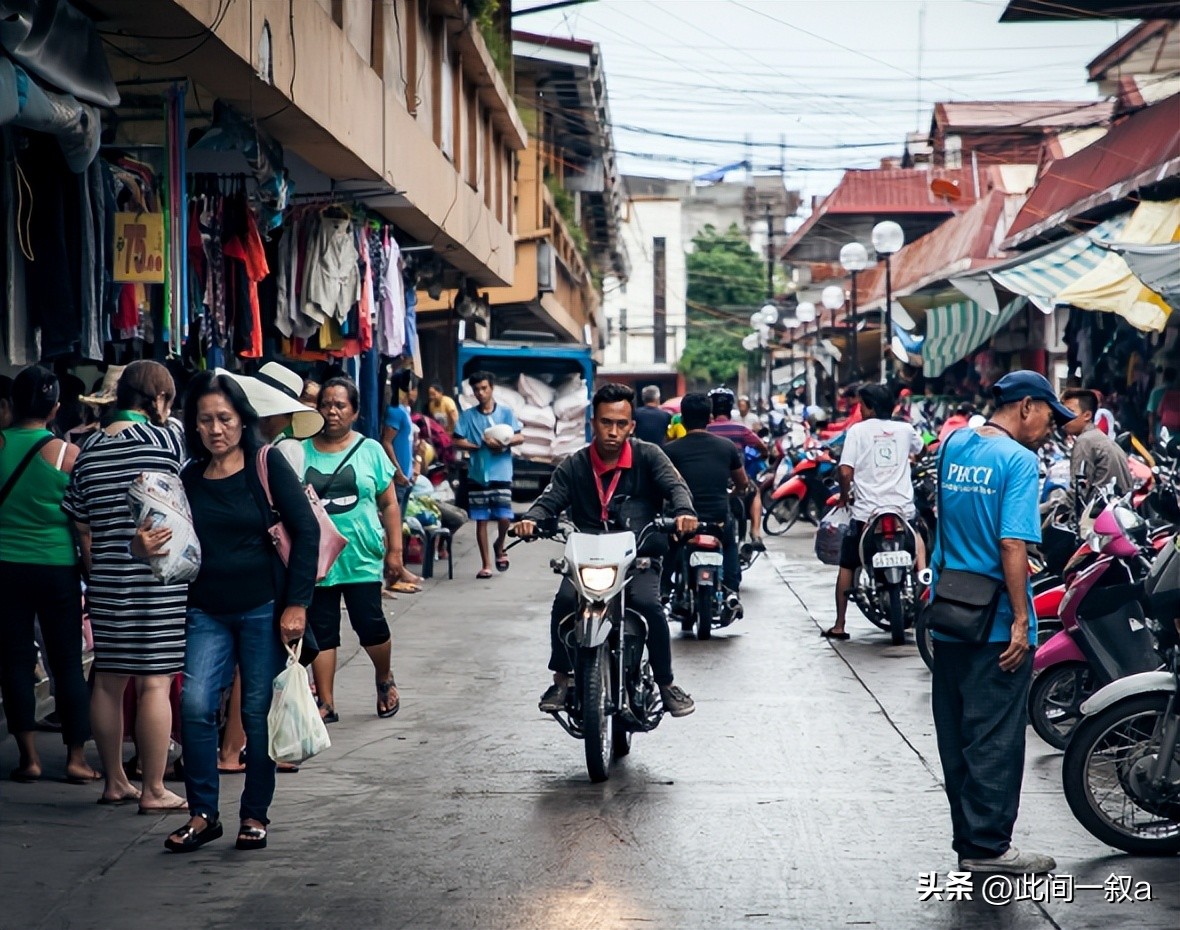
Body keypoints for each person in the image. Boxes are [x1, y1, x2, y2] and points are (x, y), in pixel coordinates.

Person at [147, 371, 318, 853]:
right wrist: (144, 547)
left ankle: (254, 814)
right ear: (194, 426)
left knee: (256, 713)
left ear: (243, 420)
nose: (216, 428)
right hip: (206, 610)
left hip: (265, 609)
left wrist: (298, 604)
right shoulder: (187, 479)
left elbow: (306, 532)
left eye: (225, 418)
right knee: (197, 706)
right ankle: (203, 814)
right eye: (205, 420)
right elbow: (168, 544)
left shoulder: (267, 464)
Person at [930, 370, 1069, 874]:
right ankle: (989, 849)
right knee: (994, 737)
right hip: (993, 624)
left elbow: (942, 521)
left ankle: (970, 842)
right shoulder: (1018, 460)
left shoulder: (954, 444)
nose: (1050, 427)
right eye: (1050, 415)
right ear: (1027, 406)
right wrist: (1018, 621)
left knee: (956, 736)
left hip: (948, 611)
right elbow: (1013, 543)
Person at [512, 383, 698, 718]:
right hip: (588, 556)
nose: (613, 431)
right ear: (592, 422)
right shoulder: (575, 464)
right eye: (605, 422)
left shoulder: (650, 456)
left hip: (639, 552)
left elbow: (675, 486)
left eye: (621, 424)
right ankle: (562, 678)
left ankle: (666, 683)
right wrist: (532, 519)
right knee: (565, 602)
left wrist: (684, 513)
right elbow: (550, 498)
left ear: (632, 426)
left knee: (648, 606)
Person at [62, 361, 188, 810]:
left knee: (108, 681)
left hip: (108, 580)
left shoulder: (88, 448)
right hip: (157, 579)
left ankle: (114, 781)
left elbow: (78, 518)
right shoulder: (165, 439)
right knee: (155, 681)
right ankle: (154, 788)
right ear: (157, 400)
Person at [216, 363, 326, 776]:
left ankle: (243, 747)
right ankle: (254, 746)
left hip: (268, 572)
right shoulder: (271, 450)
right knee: (261, 665)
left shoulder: (273, 451)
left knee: (258, 665)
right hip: (267, 572)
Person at [0, 366, 97, 785]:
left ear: (11, 405)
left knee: (15, 662)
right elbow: (83, 524)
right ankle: (76, 758)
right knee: (67, 664)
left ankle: (29, 759)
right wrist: (92, 575)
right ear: (56, 407)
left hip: (5, 569)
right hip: (58, 569)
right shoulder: (67, 455)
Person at [305, 377, 405, 723]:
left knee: (370, 623)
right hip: (317, 559)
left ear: (355, 412)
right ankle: (327, 702)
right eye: (326, 404)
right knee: (322, 628)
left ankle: (383, 677)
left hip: (361, 555)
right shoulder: (298, 449)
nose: (331, 411)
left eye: (340, 405)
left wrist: (395, 551)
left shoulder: (371, 450)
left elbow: (389, 503)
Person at [826, 383, 925, 641]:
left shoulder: (857, 431)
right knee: (919, 541)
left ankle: (839, 624)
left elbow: (845, 471)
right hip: (901, 509)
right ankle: (927, 602)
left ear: (868, 407)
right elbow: (922, 448)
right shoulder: (905, 429)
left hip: (867, 512)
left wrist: (845, 496)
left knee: (848, 562)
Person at [663, 392, 747, 595]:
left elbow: (662, 487)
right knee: (729, 544)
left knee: (669, 547)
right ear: (709, 418)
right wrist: (730, 495)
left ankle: (665, 589)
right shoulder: (726, 447)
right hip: (718, 519)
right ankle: (731, 590)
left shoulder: (669, 450)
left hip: (683, 522)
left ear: (682, 419)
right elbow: (743, 483)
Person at [453, 371, 523, 579]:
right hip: (477, 473)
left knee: (504, 517)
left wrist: (503, 443)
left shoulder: (506, 414)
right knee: (481, 520)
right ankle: (486, 564)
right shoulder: (467, 416)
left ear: (491, 388)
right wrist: (477, 445)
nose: (481, 393)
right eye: (476, 389)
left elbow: (520, 436)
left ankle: (500, 544)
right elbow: (456, 440)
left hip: (501, 472)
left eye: (484, 388)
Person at [707, 389, 766, 551]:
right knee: (755, 492)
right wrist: (762, 455)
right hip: (737, 482)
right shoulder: (740, 429)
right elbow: (762, 447)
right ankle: (755, 533)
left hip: (710, 483)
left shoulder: (705, 429)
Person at [1061, 388, 1133, 505]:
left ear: (1087, 415)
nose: (1063, 417)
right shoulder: (1100, 438)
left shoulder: (1085, 441)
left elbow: (1077, 493)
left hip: (1100, 513)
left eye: (1069, 411)